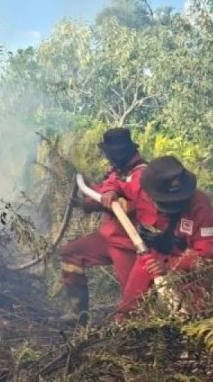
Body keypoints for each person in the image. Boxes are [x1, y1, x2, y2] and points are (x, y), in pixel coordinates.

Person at [109, 155, 213, 319]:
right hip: (150, 255)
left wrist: (172, 266)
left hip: (186, 264)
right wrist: (110, 191)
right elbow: (116, 182)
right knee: (129, 308)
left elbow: (207, 252)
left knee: (194, 317)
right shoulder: (142, 187)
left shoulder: (200, 206)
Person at [57, 128, 147, 326]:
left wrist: (114, 201)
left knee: (134, 298)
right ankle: (79, 314)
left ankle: (139, 333)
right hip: (109, 237)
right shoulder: (118, 171)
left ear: (122, 151)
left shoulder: (141, 174)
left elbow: (139, 206)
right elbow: (106, 192)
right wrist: (86, 202)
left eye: (111, 154)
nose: (109, 158)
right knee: (71, 253)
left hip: (129, 244)